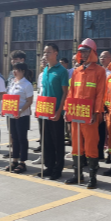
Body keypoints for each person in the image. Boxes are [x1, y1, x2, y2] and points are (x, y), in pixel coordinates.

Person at [64, 38, 107, 189]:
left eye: (86, 51)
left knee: (90, 144)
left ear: (93, 53)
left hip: (90, 115)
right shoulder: (76, 71)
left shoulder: (100, 71)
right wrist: (67, 109)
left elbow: (101, 93)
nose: (83, 54)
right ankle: (77, 175)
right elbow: (71, 92)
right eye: (81, 52)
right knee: (76, 144)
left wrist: (96, 112)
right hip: (76, 113)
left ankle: (93, 177)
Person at [39, 43, 69, 180]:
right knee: (47, 141)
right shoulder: (45, 70)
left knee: (58, 142)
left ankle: (58, 168)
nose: (46, 55)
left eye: (48, 52)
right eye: (45, 52)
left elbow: (65, 93)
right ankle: (49, 167)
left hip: (56, 112)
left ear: (56, 53)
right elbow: (43, 91)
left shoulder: (61, 71)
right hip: (44, 111)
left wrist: (59, 111)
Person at [6, 63, 34, 173]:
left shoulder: (27, 84)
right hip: (12, 115)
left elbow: (29, 101)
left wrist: (21, 110)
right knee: (14, 138)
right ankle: (15, 160)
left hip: (22, 115)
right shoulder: (12, 82)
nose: (14, 72)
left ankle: (22, 163)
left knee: (22, 139)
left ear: (22, 71)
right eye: (13, 70)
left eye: (17, 70)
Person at [2, 50, 27, 159]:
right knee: (11, 131)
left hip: (21, 110)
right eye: (12, 60)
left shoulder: (26, 73)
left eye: (16, 59)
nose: (13, 62)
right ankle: (13, 150)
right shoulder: (11, 74)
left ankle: (20, 153)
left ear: (22, 60)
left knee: (20, 134)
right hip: (10, 107)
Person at [32, 58, 48, 160]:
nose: (43, 62)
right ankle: (42, 151)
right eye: (42, 60)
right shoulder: (41, 75)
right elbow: (39, 91)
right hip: (41, 104)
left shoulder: (54, 72)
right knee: (42, 129)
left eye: (45, 60)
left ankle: (48, 154)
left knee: (48, 131)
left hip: (49, 106)